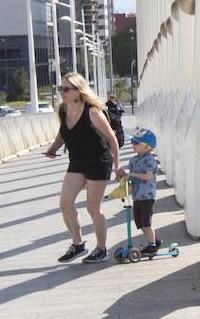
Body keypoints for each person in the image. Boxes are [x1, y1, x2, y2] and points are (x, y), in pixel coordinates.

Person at [44, 72, 126, 263]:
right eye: (60, 88)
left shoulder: (92, 111)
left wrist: (117, 164)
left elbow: (111, 138)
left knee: (93, 208)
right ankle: (78, 244)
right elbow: (63, 132)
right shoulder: (63, 110)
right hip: (77, 162)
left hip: (98, 161)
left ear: (78, 91)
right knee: (65, 204)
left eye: (66, 89)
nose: (61, 92)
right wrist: (53, 148)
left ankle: (101, 248)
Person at [127, 129, 162, 256]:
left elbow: (148, 176)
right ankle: (155, 241)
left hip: (147, 196)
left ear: (147, 146)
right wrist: (123, 176)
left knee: (146, 223)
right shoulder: (133, 160)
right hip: (137, 196)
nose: (133, 144)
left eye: (136, 143)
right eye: (132, 142)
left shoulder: (149, 160)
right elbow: (131, 177)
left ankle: (152, 246)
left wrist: (132, 174)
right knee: (140, 223)